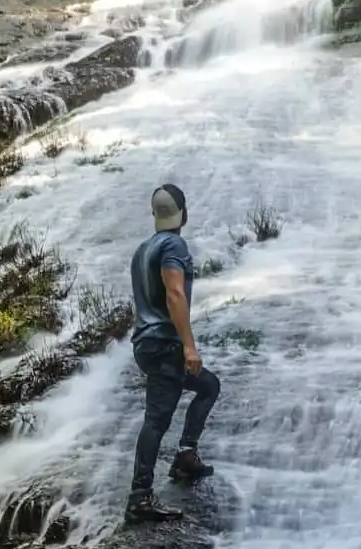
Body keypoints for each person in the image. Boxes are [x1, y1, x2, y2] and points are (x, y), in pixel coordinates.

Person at [124, 183, 220, 524]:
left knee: (208, 386)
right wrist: (189, 346)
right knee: (157, 419)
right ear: (184, 214)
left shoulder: (141, 250)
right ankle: (139, 497)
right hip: (166, 346)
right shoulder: (174, 245)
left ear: (154, 215)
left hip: (146, 344)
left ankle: (185, 456)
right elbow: (175, 294)